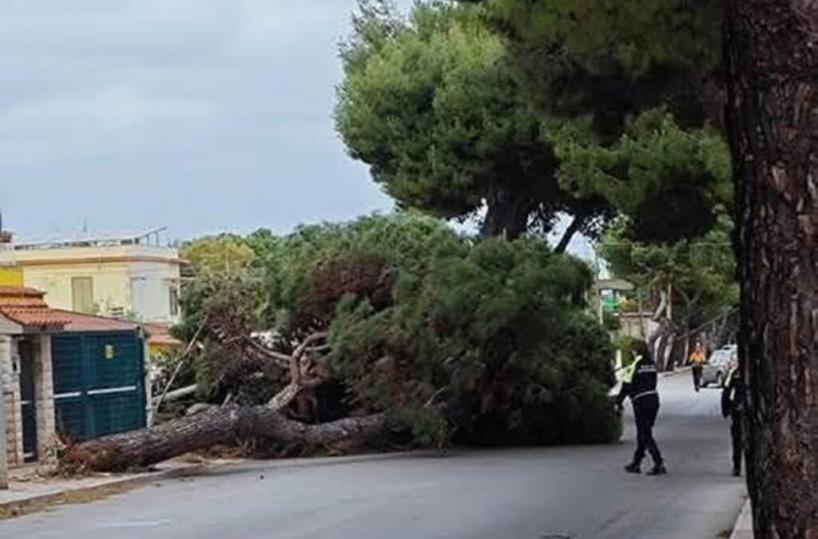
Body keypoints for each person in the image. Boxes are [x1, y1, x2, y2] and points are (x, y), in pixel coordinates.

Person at [617, 340, 667, 476]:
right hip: (654, 399)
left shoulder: (634, 365)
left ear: (635, 351)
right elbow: (653, 381)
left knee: (645, 433)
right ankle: (636, 462)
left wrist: (618, 402)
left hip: (641, 401)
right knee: (643, 432)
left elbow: (626, 386)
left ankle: (658, 462)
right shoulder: (651, 364)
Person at [721, 363, 744, 477]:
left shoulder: (736, 373)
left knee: (738, 441)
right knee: (738, 440)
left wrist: (726, 408)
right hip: (741, 410)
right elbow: (727, 391)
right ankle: (737, 466)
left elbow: (726, 391)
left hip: (740, 409)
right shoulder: (736, 373)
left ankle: (737, 467)